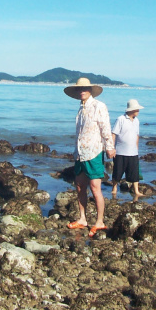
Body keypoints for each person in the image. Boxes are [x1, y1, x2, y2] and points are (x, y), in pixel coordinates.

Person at [64, 77, 116, 237]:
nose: (82, 91)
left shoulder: (99, 106)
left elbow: (105, 127)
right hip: (80, 153)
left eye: (85, 88)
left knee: (95, 187)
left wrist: (110, 147)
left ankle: (100, 221)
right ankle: (82, 219)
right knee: (79, 186)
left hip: (94, 152)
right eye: (79, 89)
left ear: (90, 90)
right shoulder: (81, 108)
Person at [111, 99, 144, 197]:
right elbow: (114, 134)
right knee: (117, 172)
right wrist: (112, 148)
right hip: (120, 151)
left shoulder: (137, 121)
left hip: (133, 152)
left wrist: (136, 148)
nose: (138, 111)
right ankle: (114, 187)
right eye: (137, 109)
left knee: (134, 173)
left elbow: (137, 135)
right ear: (131, 110)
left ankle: (136, 190)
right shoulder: (121, 119)